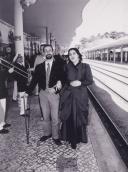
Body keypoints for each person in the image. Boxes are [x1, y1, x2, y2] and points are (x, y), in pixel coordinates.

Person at [26, 44, 65, 146]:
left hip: (54, 94)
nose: (48, 52)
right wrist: (27, 92)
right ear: (43, 53)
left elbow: (63, 80)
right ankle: (47, 133)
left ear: (53, 52)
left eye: (49, 50)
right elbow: (34, 81)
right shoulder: (39, 67)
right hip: (42, 94)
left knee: (55, 117)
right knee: (45, 116)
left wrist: (55, 89)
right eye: (46, 50)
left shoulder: (59, 65)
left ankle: (56, 136)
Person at [59, 48, 93, 149]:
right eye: (70, 54)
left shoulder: (85, 66)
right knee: (68, 116)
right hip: (68, 95)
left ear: (78, 55)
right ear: (68, 57)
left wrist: (81, 83)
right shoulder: (65, 67)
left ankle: (78, 138)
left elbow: (90, 80)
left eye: (74, 53)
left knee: (79, 116)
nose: (72, 55)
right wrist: (61, 84)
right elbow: (63, 80)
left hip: (80, 95)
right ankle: (69, 138)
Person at [0, 63, 11, 134]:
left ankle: (2, 123)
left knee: (3, 108)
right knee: (0, 109)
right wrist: (7, 72)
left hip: (2, 91)